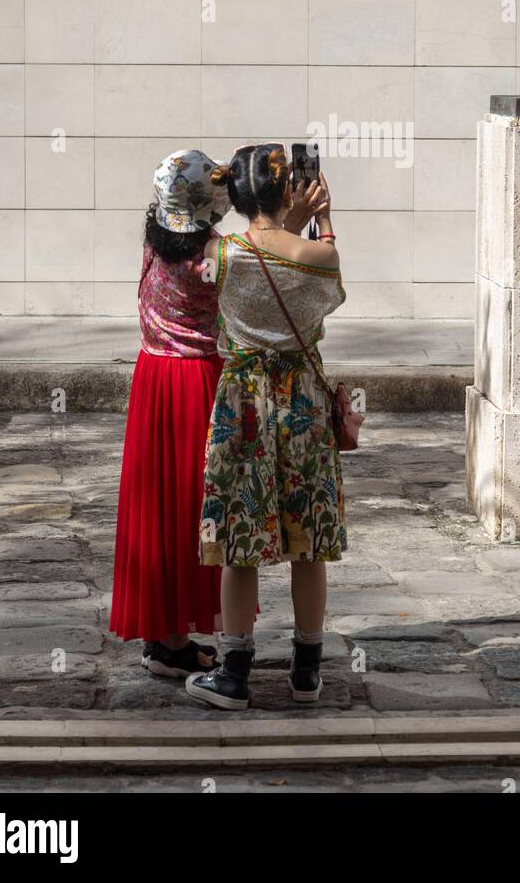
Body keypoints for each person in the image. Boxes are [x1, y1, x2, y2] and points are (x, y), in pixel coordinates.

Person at [110, 149, 322, 679]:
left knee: (160, 506)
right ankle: (206, 644)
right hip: (199, 380)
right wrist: (293, 222)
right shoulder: (215, 255)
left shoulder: (155, 240)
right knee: (200, 508)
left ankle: (166, 638)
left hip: (153, 379)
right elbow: (271, 272)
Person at [186, 144, 345, 712]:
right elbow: (322, 278)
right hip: (300, 397)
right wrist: (322, 218)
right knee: (310, 540)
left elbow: (234, 255)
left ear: (236, 198)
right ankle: (306, 674)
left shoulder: (219, 252)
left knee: (239, 539)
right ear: (289, 193)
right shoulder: (316, 256)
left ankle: (233, 675)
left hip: (241, 403)